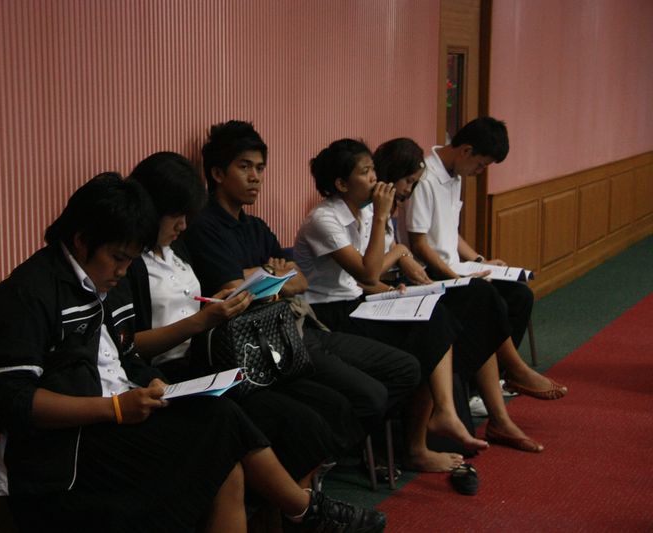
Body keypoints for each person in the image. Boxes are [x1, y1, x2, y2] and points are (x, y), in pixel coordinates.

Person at [0, 173, 386, 532]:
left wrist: (154, 384)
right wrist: (115, 409)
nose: (122, 271)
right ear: (82, 240)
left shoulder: (103, 280)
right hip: (69, 447)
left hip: (121, 412)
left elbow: (123, 354)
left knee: (223, 439)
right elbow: (13, 400)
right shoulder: (26, 294)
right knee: (220, 431)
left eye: (130, 260)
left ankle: (303, 511)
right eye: (117, 258)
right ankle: (304, 510)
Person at [293, 139, 542, 471]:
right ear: (341, 184)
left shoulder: (363, 212)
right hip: (327, 315)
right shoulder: (324, 219)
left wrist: (393, 288)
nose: (374, 178)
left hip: (358, 301)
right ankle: (421, 439)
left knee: (434, 312)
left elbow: (367, 279)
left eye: (373, 170)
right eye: (365, 172)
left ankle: (440, 418)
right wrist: (383, 221)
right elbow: (367, 272)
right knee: (424, 332)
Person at [183, 120, 421, 460]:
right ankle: (319, 460)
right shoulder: (204, 226)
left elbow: (299, 281)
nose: (256, 177)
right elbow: (234, 288)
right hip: (255, 345)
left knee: (405, 368)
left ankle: (325, 455)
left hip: (294, 327)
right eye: (245, 167)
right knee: (365, 395)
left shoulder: (255, 225)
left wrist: (263, 277)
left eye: (260, 168)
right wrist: (271, 274)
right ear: (218, 174)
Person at [125, 151, 363, 490]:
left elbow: (194, 306)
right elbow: (129, 345)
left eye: (186, 216)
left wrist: (219, 302)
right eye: (176, 216)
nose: (183, 226)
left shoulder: (176, 249)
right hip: (171, 372)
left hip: (213, 358)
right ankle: (298, 508)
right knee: (294, 420)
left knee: (325, 405)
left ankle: (298, 503)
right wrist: (202, 321)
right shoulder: (131, 262)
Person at [403, 117, 568, 400]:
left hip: (454, 267)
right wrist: (456, 277)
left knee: (520, 295)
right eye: (480, 165)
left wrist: (479, 260)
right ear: (466, 150)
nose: (479, 172)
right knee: (489, 300)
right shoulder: (425, 179)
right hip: (429, 273)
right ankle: (509, 372)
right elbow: (419, 245)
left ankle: (493, 382)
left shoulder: (454, 175)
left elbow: (450, 232)